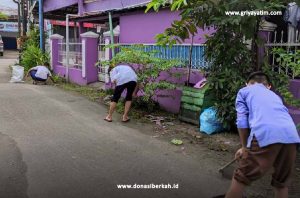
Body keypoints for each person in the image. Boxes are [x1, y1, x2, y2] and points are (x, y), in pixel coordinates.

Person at [225, 72, 300, 198]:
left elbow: (242, 122)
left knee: (242, 176)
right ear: (269, 86)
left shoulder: (244, 91)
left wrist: (244, 148)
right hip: (291, 136)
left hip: (266, 132)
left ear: (247, 84)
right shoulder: (275, 96)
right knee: (281, 183)